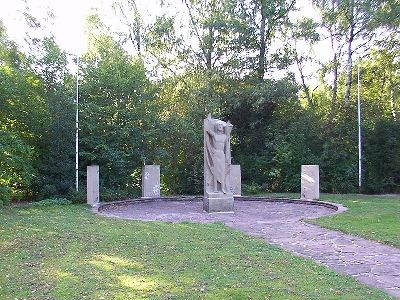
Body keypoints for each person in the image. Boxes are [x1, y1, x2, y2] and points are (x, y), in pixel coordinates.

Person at [205, 115, 233, 193]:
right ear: (216, 127)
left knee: (222, 172)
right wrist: (209, 120)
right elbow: (207, 130)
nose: (220, 126)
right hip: (216, 154)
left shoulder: (225, 137)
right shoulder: (214, 135)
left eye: (221, 125)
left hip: (222, 155)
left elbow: (227, 147)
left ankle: (223, 188)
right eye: (219, 125)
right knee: (215, 172)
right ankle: (215, 189)